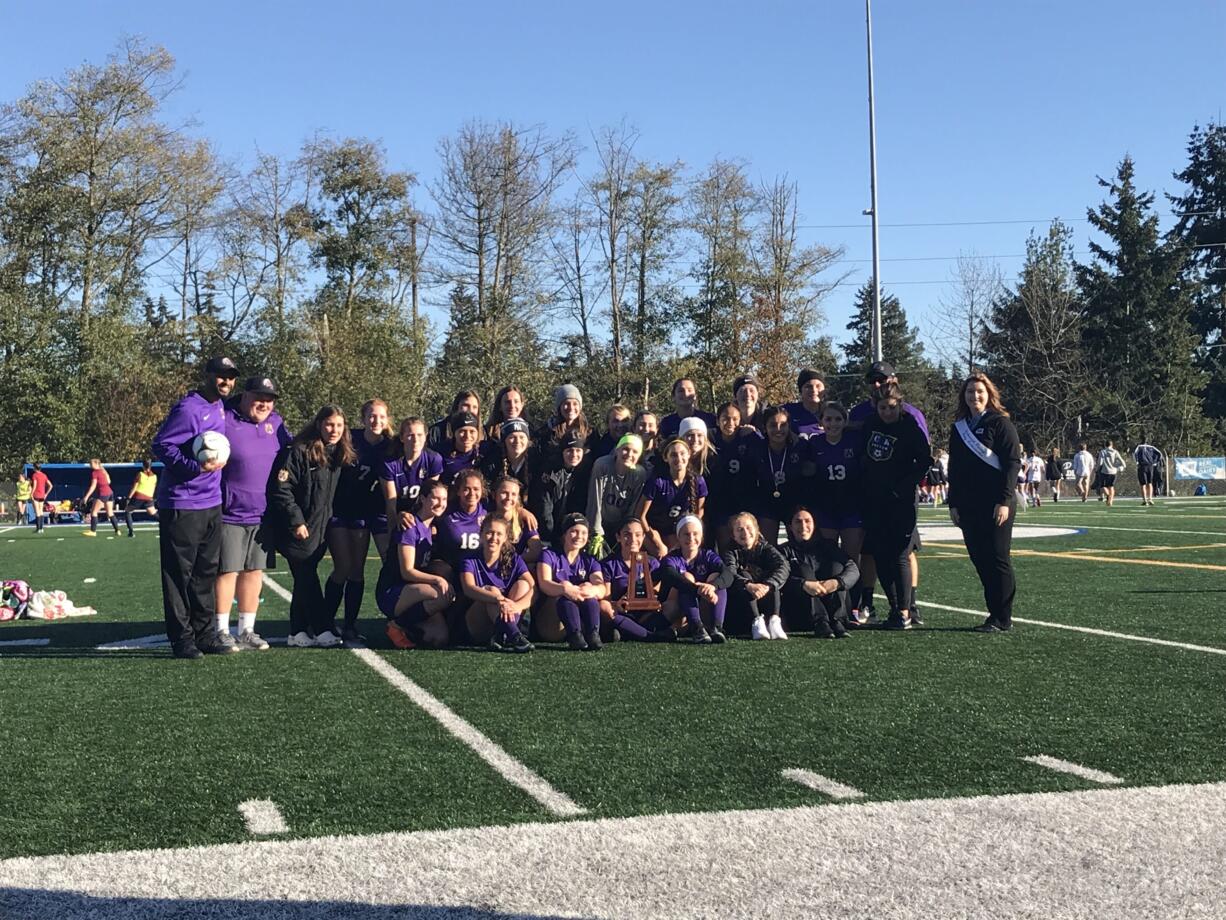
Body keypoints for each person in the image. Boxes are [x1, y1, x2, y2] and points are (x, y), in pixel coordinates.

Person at [150, 356, 242, 658]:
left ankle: (205, 635)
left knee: (205, 573)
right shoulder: (189, 408)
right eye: (221, 376)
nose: (226, 382)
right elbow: (162, 444)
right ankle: (182, 640)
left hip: (211, 502)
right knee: (179, 575)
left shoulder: (221, 407)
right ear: (208, 376)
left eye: (231, 377)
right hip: (182, 503)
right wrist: (194, 467)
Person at [267, 404, 354, 648]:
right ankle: (322, 628)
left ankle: (297, 631)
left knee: (304, 578)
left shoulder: (337, 452)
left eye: (338, 425)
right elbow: (281, 489)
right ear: (319, 425)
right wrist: (296, 521)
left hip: (320, 527)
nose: (334, 430)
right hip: (296, 528)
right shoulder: (299, 451)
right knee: (307, 576)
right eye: (329, 424)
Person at [214, 376, 291, 651]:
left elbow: (292, 454)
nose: (265, 404)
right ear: (245, 396)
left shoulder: (277, 424)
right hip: (229, 512)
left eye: (270, 400)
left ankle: (247, 629)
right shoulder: (224, 418)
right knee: (227, 570)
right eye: (259, 398)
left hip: (263, 514)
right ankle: (220, 630)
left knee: (253, 571)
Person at [946, 372, 1022, 633]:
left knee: (998, 558)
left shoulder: (1000, 423)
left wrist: (1004, 500)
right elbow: (954, 468)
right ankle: (993, 613)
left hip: (996, 503)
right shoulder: (959, 427)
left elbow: (1012, 463)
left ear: (989, 394)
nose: (974, 396)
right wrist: (952, 503)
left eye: (979, 391)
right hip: (968, 504)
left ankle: (1003, 617)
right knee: (979, 558)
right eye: (969, 392)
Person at [860, 382, 931, 630]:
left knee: (899, 555)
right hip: (874, 500)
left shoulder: (909, 427)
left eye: (891, 407)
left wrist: (904, 484)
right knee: (880, 555)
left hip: (901, 501)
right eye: (882, 408)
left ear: (899, 405)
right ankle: (894, 608)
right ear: (875, 407)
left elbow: (925, 460)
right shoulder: (870, 425)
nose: (887, 412)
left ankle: (905, 610)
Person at [325, 398, 396, 643]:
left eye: (381, 417)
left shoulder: (389, 446)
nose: (376, 421)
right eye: (372, 416)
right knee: (342, 568)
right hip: (338, 511)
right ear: (363, 418)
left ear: (387, 420)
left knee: (356, 571)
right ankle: (325, 621)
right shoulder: (349, 438)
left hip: (364, 514)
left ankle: (350, 626)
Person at [376, 481, 454, 649]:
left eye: (444, 499)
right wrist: (437, 580)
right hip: (393, 590)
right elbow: (407, 572)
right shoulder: (410, 526)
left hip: (414, 590)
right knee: (441, 594)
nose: (440, 503)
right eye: (435, 498)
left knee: (439, 637)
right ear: (423, 498)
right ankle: (396, 626)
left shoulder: (432, 527)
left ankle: (408, 627)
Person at [780, 506, 860, 639]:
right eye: (798, 522)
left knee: (837, 566)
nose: (803, 526)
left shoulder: (828, 546)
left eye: (807, 521)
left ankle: (837, 620)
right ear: (790, 527)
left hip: (833, 606)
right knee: (802, 569)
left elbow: (853, 569)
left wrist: (837, 582)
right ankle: (820, 621)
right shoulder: (784, 551)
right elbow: (776, 577)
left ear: (815, 524)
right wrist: (803, 584)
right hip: (802, 615)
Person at [460, 516, 535, 653]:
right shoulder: (470, 558)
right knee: (491, 590)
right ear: (481, 534)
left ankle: (503, 635)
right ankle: (515, 635)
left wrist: (515, 606)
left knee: (523, 585)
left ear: (506, 537)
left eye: (499, 534)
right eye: (489, 532)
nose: (494, 537)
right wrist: (498, 599)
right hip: (478, 622)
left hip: (506, 614)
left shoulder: (513, 558)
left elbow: (533, 586)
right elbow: (468, 588)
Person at [534, 512, 608, 650]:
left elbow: (601, 588)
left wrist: (592, 589)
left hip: (580, 614)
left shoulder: (590, 560)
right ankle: (575, 636)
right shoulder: (549, 554)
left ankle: (593, 635)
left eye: (583, 532)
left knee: (590, 595)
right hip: (552, 621)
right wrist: (564, 589)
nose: (579, 536)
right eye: (574, 531)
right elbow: (544, 583)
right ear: (564, 534)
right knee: (565, 595)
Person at [660, 515, 734, 644]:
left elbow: (728, 575)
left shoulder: (708, 555)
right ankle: (696, 628)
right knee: (686, 577)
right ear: (678, 537)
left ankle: (717, 627)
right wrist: (697, 588)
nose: (691, 538)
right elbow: (671, 576)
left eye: (695, 534)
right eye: (686, 534)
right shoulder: (672, 558)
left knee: (715, 577)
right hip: (679, 610)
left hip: (705, 605)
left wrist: (712, 587)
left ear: (702, 536)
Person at [808, 401, 864, 568]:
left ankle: (855, 595)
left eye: (838, 419)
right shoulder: (814, 443)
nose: (833, 424)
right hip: (826, 506)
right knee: (828, 558)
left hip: (851, 505)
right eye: (829, 419)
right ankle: (830, 593)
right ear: (821, 422)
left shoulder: (854, 441)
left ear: (845, 421)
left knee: (851, 559)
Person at [599, 518, 673, 642]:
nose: (633, 540)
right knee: (603, 606)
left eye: (638, 535)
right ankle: (648, 636)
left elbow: (656, 591)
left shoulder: (652, 563)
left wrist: (653, 601)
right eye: (627, 535)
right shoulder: (608, 564)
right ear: (618, 537)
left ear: (643, 537)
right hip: (621, 613)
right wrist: (617, 604)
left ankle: (628, 631)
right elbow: (606, 598)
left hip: (645, 615)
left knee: (672, 606)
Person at [747, 405, 810, 546]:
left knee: (799, 546)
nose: (778, 430)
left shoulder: (800, 447)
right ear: (765, 427)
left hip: (794, 502)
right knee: (768, 547)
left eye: (783, 425)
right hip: (766, 502)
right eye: (773, 425)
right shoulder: (757, 449)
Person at [722, 511, 790, 640]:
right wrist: (748, 585)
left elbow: (783, 566)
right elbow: (730, 572)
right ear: (733, 535)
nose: (745, 532)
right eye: (739, 529)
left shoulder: (766, 548)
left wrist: (768, 585)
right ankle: (756, 621)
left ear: (757, 530)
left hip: (766, 596)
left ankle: (774, 621)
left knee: (772, 577)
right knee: (744, 573)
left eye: (748, 528)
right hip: (742, 603)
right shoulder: (730, 552)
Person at [637, 438, 707, 557]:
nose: (679, 458)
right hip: (654, 530)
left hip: (679, 531)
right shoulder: (658, 482)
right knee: (662, 553)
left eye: (682, 453)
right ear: (666, 458)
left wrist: (682, 534)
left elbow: (698, 513)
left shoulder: (697, 481)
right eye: (673, 455)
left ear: (689, 454)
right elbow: (640, 515)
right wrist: (656, 540)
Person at [705, 402, 758, 550]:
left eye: (735, 419)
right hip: (719, 501)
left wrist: (755, 432)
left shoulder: (748, 437)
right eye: (726, 418)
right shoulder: (709, 439)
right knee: (725, 545)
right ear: (717, 420)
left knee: (747, 542)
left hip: (743, 499)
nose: (730, 423)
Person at [381, 416, 444, 534]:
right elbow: (390, 502)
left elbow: (430, 496)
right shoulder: (390, 463)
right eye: (410, 435)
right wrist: (393, 529)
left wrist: (426, 526)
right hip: (393, 513)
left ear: (426, 437)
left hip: (420, 512)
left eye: (420, 435)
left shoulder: (434, 459)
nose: (415, 440)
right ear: (402, 438)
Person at [587, 434, 647, 548]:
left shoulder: (639, 474)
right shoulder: (602, 465)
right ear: (617, 450)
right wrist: (596, 532)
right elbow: (594, 501)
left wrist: (624, 532)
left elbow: (632, 508)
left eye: (635, 452)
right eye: (625, 449)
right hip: (600, 523)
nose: (629, 454)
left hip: (620, 527)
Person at [531, 430, 589, 545]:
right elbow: (544, 505)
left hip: (568, 531)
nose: (574, 455)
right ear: (562, 451)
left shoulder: (584, 472)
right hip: (547, 530)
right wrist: (548, 535)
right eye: (569, 451)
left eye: (578, 450)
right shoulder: (550, 471)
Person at [847, 361, 930, 441]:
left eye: (881, 379)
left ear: (895, 381)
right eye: (872, 380)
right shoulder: (857, 413)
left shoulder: (912, 414)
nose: (876, 384)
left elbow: (923, 448)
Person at [481, 418, 540, 505]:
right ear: (504, 441)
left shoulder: (536, 463)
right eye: (512, 437)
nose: (517, 441)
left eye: (522, 437)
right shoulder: (493, 463)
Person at [440, 411, 486, 485]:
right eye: (462, 431)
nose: (467, 436)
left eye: (472, 431)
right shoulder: (442, 454)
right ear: (454, 433)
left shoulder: (483, 453)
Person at [782, 368, 826, 438]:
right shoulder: (788, 411)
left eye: (818, 386)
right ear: (800, 390)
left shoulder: (832, 413)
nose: (814, 390)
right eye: (808, 386)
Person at [80, 458, 120, 536]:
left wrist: (86, 497)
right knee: (110, 512)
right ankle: (117, 530)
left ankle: (93, 531)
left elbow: (93, 486)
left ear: (96, 464)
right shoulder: (103, 471)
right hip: (110, 493)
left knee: (94, 512)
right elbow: (109, 482)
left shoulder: (95, 473)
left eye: (91, 464)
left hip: (103, 494)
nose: (90, 465)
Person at [124, 459, 159, 537]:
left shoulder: (140, 474)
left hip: (139, 496)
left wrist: (129, 498)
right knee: (153, 513)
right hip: (149, 497)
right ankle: (165, 524)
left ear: (143, 465)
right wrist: (151, 497)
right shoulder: (155, 476)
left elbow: (135, 487)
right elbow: (153, 487)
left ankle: (131, 532)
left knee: (127, 511)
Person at [1096, 441, 1127, 507]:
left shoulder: (1103, 452)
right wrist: (1121, 467)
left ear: (1105, 445)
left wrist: (1097, 469)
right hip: (1113, 472)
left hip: (1104, 471)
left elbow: (1100, 462)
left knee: (1103, 486)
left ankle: (1108, 496)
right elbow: (1122, 462)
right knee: (1111, 486)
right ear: (1112, 445)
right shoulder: (1115, 452)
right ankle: (1110, 501)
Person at [1133, 440, 1163, 506]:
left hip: (1142, 466)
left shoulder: (1139, 447)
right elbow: (1160, 454)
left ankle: (1145, 500)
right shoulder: (1151, 447)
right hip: (1150, 466)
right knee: (1149, 483)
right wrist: (1155, 462)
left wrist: (1137, 462)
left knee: (1143, 484)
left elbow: (1135, 454)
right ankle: (1150, 499)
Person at [29, 462, 52, 533]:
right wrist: (46, 494)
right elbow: (51, 485)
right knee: (41, 511)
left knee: (37, 512)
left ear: (35, 468)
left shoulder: (35, 475)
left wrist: (31, 493)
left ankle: (38, 528)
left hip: (36, 494)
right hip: (42, 495)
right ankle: (41, 528)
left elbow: (35, 485)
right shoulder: (44, 475)